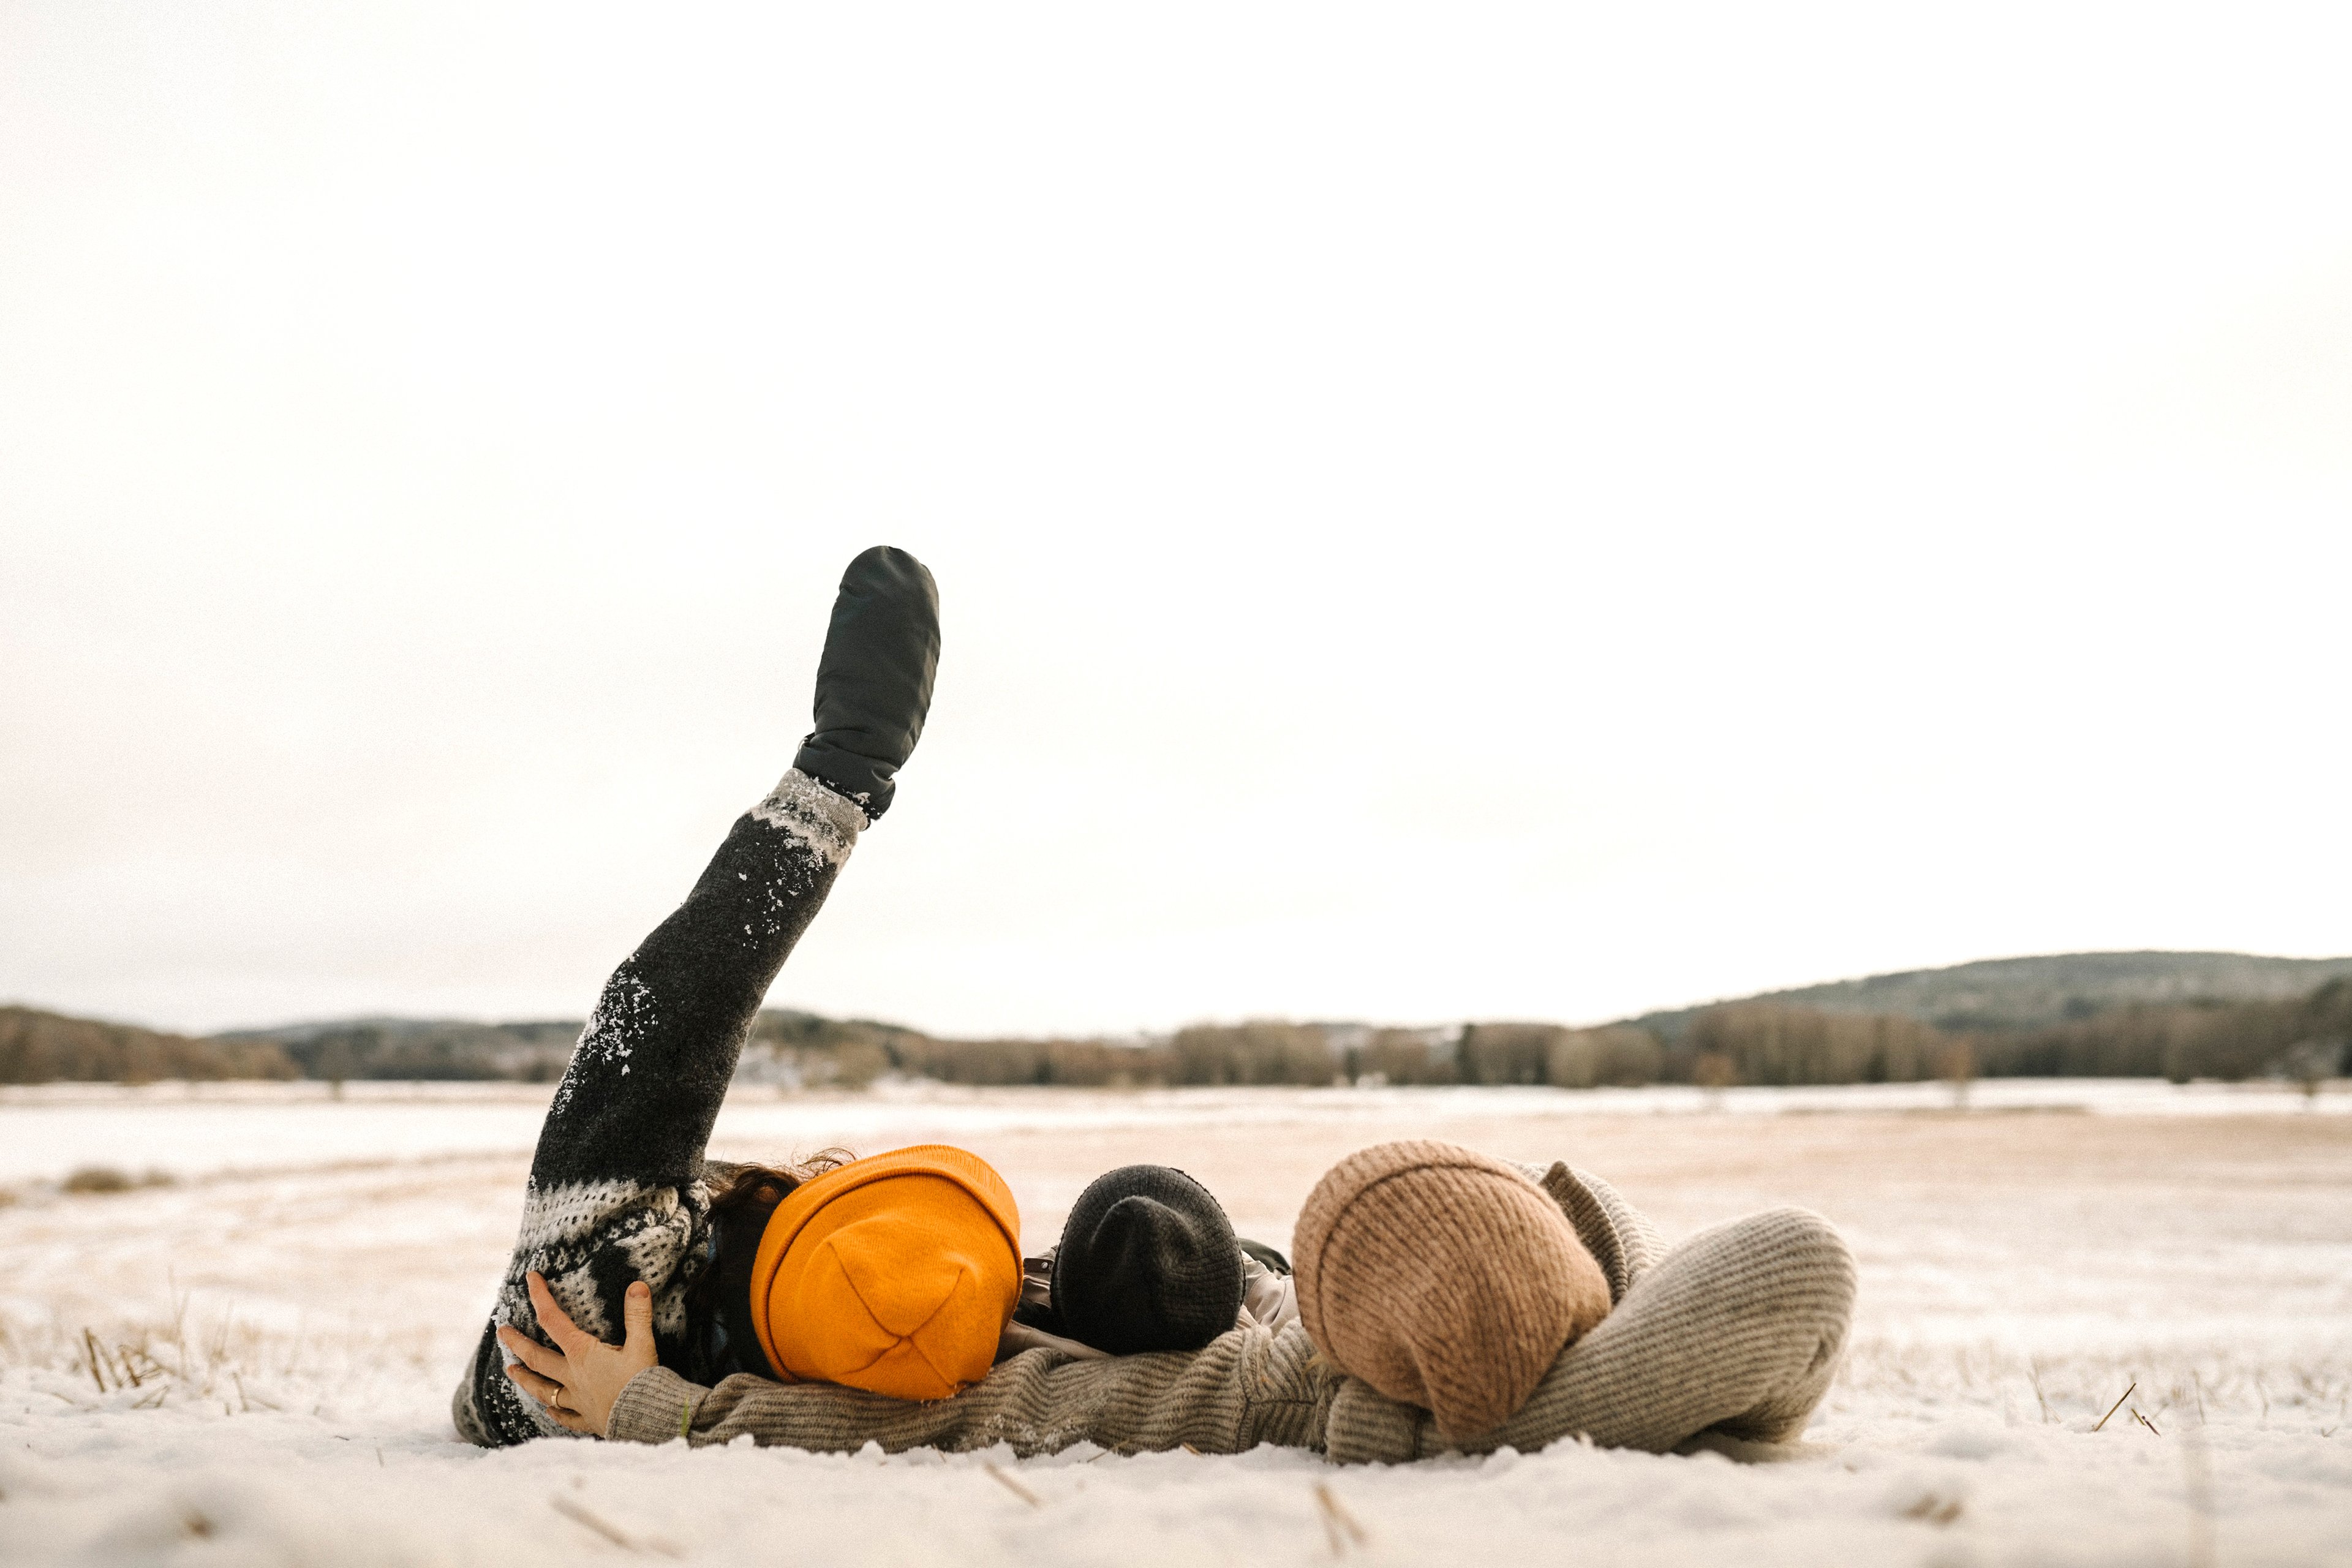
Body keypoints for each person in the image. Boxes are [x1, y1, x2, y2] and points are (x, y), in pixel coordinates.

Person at [461, 546, 1860, 1461]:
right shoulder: (607, 1285)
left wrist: (673, 1412)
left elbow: (665, 1017)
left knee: (1189, 1261)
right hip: (1407, 1335)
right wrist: (840, 775)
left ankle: (1493, 1270)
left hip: (1366, 1329)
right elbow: (665, 1006)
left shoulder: (671, 1301)